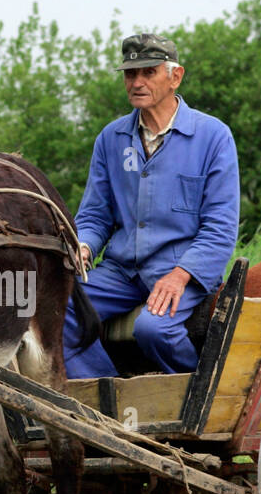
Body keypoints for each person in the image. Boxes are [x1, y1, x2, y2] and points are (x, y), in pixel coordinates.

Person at [63, 33, 240, 378]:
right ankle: (104, 402)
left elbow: (220, 227)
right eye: (130, 74)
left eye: (148, 72)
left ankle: (199, 399)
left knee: (154, 329)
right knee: (58, 309)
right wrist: (83, 246)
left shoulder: (213, 137)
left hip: (179, 269)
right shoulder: (110, 139)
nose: (137, 82)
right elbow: (96, 215)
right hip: (121, 271)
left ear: (175, 76)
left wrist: (180, 275)